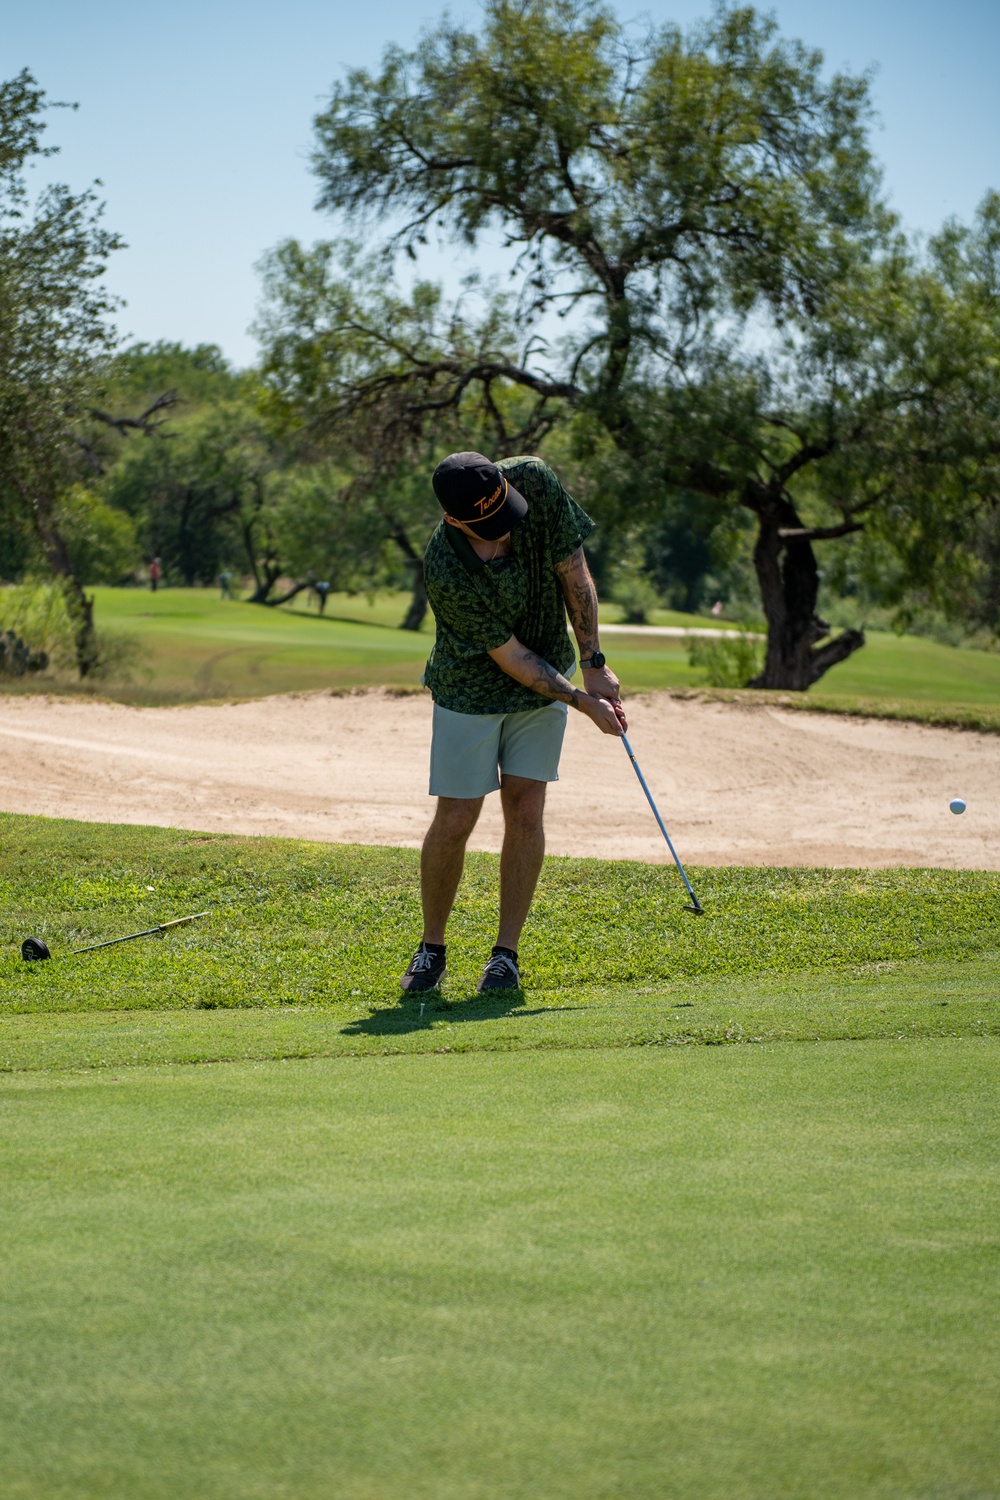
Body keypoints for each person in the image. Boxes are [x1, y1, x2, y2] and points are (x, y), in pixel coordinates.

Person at [399, 451, 626, 996]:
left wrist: (593, 662)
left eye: (506, 512)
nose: (504, 532)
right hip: (471, 687)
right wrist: (579, 700)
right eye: (487, 526)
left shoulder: (534, 481)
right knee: (456, 817)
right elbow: (511, 658)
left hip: (552, 662)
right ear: (454, 520)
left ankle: (506, 955)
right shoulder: (446, 564)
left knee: (526, 806)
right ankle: (432, 947)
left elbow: (574, 572)